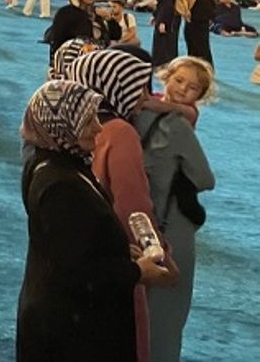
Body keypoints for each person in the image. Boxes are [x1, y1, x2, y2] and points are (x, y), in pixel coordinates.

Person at [17, 80, 172, 361]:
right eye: (88, 119)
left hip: (66, 320)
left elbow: (74, 242)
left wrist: (116, 249)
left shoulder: (58, 163)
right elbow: (75, 272)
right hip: (71, 333)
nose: (99, 128)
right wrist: (137, 272)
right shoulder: (59, 186)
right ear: (63, 123)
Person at [66, 47, 178, 360]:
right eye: (137, 87)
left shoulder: (64, 126)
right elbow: (134, 209)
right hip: (117, 263)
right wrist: (161, 260)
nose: (144, 97)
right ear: (116, 86)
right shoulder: (119, 133)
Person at [135, 57, 215, 362]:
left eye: (192, 87)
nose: (182, 90)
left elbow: (178, 109)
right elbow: (205, 179)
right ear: (166, 76)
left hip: (138, 215)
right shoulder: (178, 126)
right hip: (169, 222)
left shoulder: (142, 110)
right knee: (168, 309)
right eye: (179, 81)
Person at [48, 0, 119, 58]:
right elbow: (56, 42)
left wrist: (109, 19)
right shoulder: (65, 13)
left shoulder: (97, 13)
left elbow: (116, 36)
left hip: (98, 58)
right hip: (74, 59)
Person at [152, 0, 181, 67]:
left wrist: (162, 21)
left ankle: (163, 64)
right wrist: (155, 15)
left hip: (167, 17)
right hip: (169, 16)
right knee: (170, 41)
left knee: (164, 41)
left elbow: (167, 4)